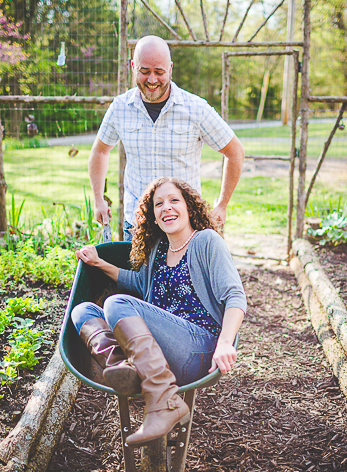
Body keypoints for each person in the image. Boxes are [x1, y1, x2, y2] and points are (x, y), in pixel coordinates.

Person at [71, 177, 246, 447]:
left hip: (197, 348)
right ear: (152, 215)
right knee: (82, 312)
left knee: (117, 304)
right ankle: (126, 370)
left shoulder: (206, 241)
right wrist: (99, 263)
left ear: (189, 207)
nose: (167, 208)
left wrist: (225, 343)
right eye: (159, 204)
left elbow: (235, 295)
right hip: (158, 351)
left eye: (174, 200)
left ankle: (163, 400)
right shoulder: (158, 249)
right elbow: (138, 284)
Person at [89, 35, 244, 240]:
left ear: (170, 68)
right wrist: (98, 199)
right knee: (137, 274)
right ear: (133, 67)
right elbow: (100, 150)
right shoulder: (120, 107)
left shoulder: (195, 108)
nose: (152, 80)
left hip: (185, 226)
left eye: (159, 72)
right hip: (138, 225)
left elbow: (234, 151)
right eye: (144, 72)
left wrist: (222, 205)